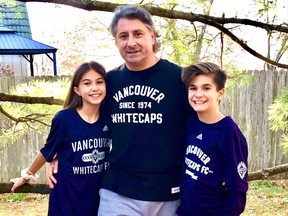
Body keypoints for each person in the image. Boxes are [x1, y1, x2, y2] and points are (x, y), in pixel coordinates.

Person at [48, 5, 193, 216]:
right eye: (123, 36)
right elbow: (88, 123)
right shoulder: (109, 82)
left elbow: (203, 128)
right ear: (116, 41)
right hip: (118, 192)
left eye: (138, 34)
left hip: (167, 193)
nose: (130, 42)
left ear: (152, 36)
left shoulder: (179, 80)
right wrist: (62, 154)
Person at [10, 61, 111, 216]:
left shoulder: (109, 118)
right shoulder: (64, 119)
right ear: (77, 90)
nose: (94, 88)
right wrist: (26, 176)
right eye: (87, 83)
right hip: (66, 200)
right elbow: (47, 151)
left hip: (96, 200)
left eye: (99, 82)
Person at [176, 62, 248, 216]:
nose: (198, 94)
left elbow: (238, 191)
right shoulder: (191, 123)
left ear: (220, 93)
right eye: (193, 88)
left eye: (206, 88)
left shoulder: (229, 133)